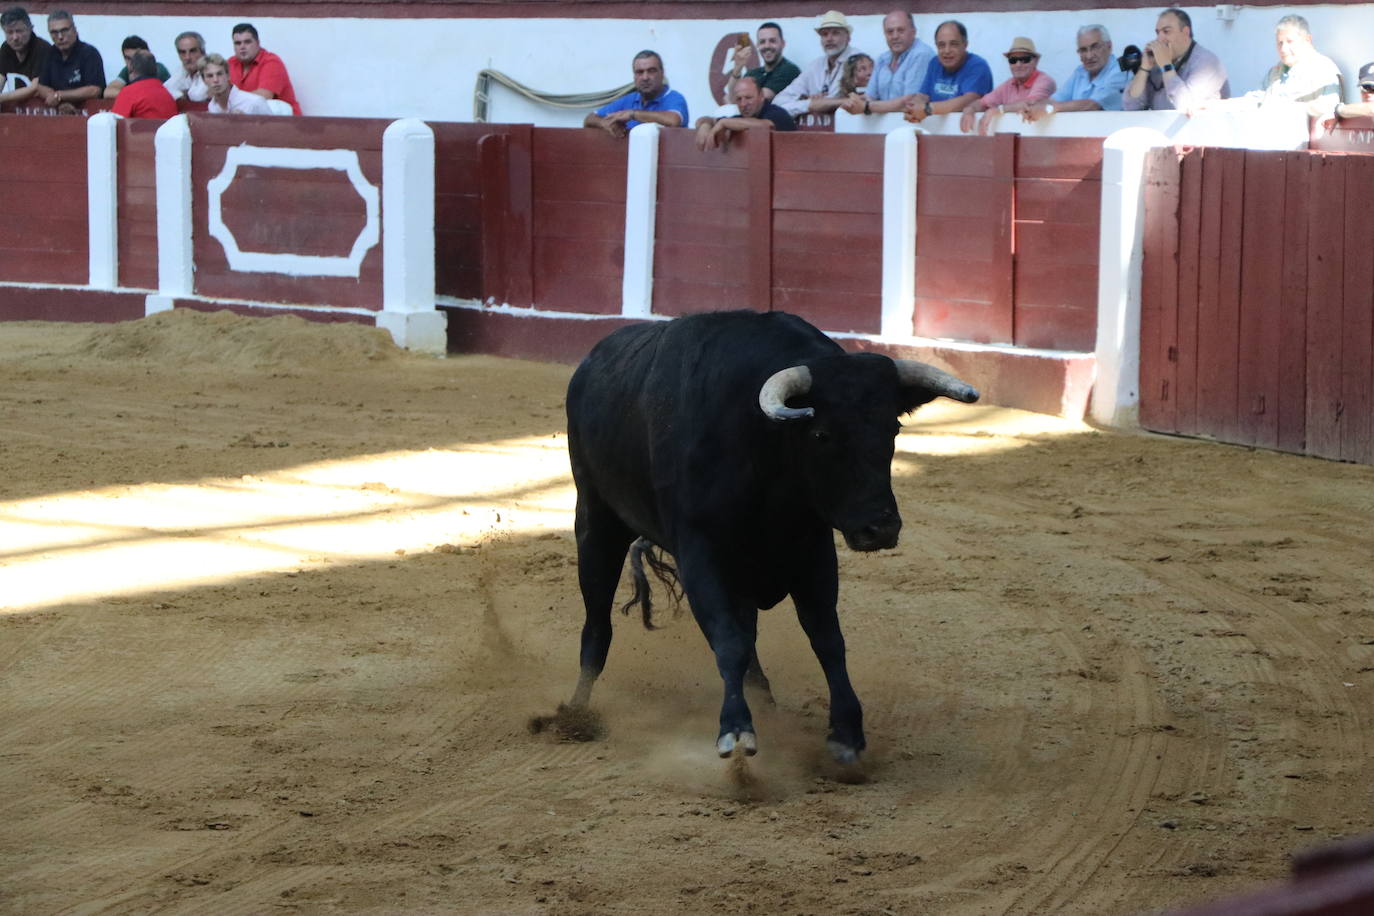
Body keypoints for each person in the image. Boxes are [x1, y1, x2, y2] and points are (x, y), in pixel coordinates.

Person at [1195, 15, 1339, 119]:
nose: (1283, 48)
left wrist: (1285, 108)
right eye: (1280, 43)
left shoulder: (1323, 68)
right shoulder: (1276, 72)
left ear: (1307, 40)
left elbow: (1329, 108)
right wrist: (1215, 106)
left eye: (1289, 41)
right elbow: (1253, 100)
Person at [1123, 7, 1229, 113]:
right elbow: (1131, 106)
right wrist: (1144, 69)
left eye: (1166, 31)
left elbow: (1188, 107)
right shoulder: (1157, 63)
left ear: (1186, 32)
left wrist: (1166, 66)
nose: (1159, 39)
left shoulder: (1207, 62)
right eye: (1158, 33)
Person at [1022, 24, 1130, 122]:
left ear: (1109, 47)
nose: (1089, 56)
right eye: (1083, 50)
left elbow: (1093, 105)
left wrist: (1048, 108)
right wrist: (1033, 107)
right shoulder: (1080, 72)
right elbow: (1055, 100)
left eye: (1095, 47)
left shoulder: (1121, 68)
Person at [774, 10, 864, 118]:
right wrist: (809, 102)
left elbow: (842, 99)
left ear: (848, 37)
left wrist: (810, 103)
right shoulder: (815, 65)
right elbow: (778, 103)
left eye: (835, 33)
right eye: (825, 34)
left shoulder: (857, 60)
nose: (829, 39)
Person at [843, 10, 933, 116]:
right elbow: (870, 96)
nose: (895, 36)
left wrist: (866, 107)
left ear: (913, 32)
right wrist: (853, 102)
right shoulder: (882, 59)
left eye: (900, 30)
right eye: (890, 31)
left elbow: (910, 101)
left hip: (912, 126)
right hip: (886, 127)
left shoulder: (921, 55)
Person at [959, 37, 1055, 134]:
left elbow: (1031, 104)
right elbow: (982, 103)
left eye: (1025, 59)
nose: (1018, 64)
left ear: (1036, 61)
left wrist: (999, 109)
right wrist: (969, 111)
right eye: (1013, 60)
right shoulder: (1008, 85)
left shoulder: (1045, 81)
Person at [585, 50, 688, 138]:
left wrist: (632, 114)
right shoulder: (629, 99)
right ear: (634, 76)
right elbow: (589, 119)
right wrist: (605, 123)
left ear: (662, 73)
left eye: (651, 71)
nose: (645, 77)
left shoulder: (674, 98)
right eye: (639, 72)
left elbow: (673, 120)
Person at [905, 20, 992, 123]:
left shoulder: (978, 66)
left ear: (965, 44)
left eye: (953, 44)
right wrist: (914, 107)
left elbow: (969, 100)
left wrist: (928, 109)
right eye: (941, 45)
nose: (947, 51)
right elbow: (924, 95)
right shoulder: (935, 63)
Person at [694, 75, 796, 151]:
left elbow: (765, 125)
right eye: (739, 99)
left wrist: (724, 123)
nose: (743, 103)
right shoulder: (741, 117)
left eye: (748, 98)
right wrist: (705, 125)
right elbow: (703, 120)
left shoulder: (777, 113)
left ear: (761, 96)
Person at [34, 10, 103, 110]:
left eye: (64, 30)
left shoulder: (89, 53)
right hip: (57, 112)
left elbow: (94, 90)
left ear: (74, 30)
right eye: (54, 32)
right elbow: (41, 86)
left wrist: (60, 95)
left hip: (88, 113)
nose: (60, 37)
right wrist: (54, 99)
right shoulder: (49, 53)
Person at [228, 23, 300, 115]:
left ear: (258, 43)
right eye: (238, 43)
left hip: (286, 123)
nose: (242, 47)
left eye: (247, 42)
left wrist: (231, 100)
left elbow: (264, 96)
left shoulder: (271, 62)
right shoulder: (230, 63)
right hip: (250, 122)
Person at [724, 22, 801, 103]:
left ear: (783, 43)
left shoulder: (789, 70)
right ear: (757, 45)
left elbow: (759, 99)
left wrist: (734, 98)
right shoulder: (753, 73)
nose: (767, 46)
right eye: (762, 42)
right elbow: (733, 99)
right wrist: (738, 67)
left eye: (772, 41)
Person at [0, 6, 48, 106]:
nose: (15, 37)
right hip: (17, 108)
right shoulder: (6, 48)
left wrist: (2, 98)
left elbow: (35, 88)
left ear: (30, 28)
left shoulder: (42, 48)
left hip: (42, 107)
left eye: (19, 31)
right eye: (9, 32)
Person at [110, 49, 176, 118]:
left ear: (131, 69)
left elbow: (116, 123)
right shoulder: (167, 94)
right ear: (155, 69)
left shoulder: (129, 92)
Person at [103, 36, 171, 98]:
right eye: (128, 58)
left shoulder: (158, 69)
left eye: (136, 58)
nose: (132, 63)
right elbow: (109, 92)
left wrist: (131, 95)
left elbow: (153, 95)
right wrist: (134, 95)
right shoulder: (127, 70)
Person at [203, 52, 271, 114]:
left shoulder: (255, 102)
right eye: (210, 76)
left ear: (228, 76)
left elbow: (274, 126)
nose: (215, 80)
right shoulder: (212, 107)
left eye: (219, 74)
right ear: (204, 80)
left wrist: (246, 123)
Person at [163, 30, 209, 102]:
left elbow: (199, 95)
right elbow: (165, 89)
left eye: (192, 51)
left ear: (203, 52)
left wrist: (184, 94)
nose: (187, 57)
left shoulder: (211, 68)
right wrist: (183, 95)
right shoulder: (182, 70)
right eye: (182, 52)